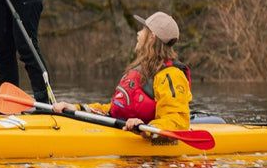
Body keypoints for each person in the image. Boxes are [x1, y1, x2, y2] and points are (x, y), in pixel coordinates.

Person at [53, 12, 192, 131]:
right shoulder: (141, 70)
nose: (138, 34)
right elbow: (114, 109)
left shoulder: (172, 75)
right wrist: (77, 108)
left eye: (143, 30)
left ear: (152, 37)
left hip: (150, 147)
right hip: (124, 130)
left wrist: (146, 128)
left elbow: (177, 120)